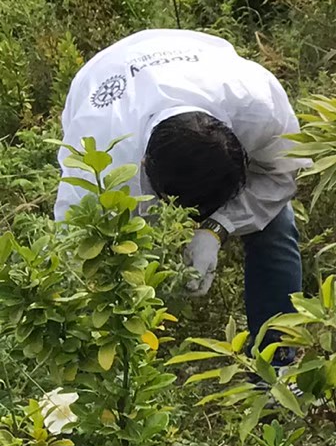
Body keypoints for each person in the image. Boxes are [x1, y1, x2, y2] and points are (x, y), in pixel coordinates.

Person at [56, 29, 305, 347]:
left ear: (239, 149)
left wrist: (217, 228)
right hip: (103, 76)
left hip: (195, 55)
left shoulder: (259, 107)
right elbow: (75, 236)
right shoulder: (99, 154)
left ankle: (278, 359)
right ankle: (129, 358)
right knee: (117, 248)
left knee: (276, 224)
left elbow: (280, 177)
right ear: (144, 165)